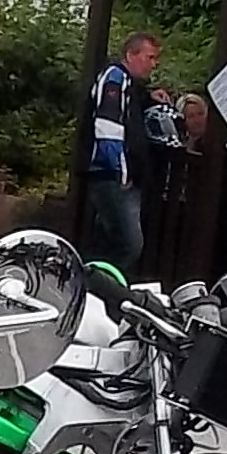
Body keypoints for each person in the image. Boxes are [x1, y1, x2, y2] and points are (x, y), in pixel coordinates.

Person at [82, 28, 167, 273]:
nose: (153, 64)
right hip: (112, 175)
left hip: (117, 175)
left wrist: (149, 97)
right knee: (129, 243)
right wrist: (122, 171)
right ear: (131, 55)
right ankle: (98, 284)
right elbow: (108, 127)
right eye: (149, 57)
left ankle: (91, 281)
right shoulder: (115, 78)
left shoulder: (128, 84)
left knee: (106, 240)